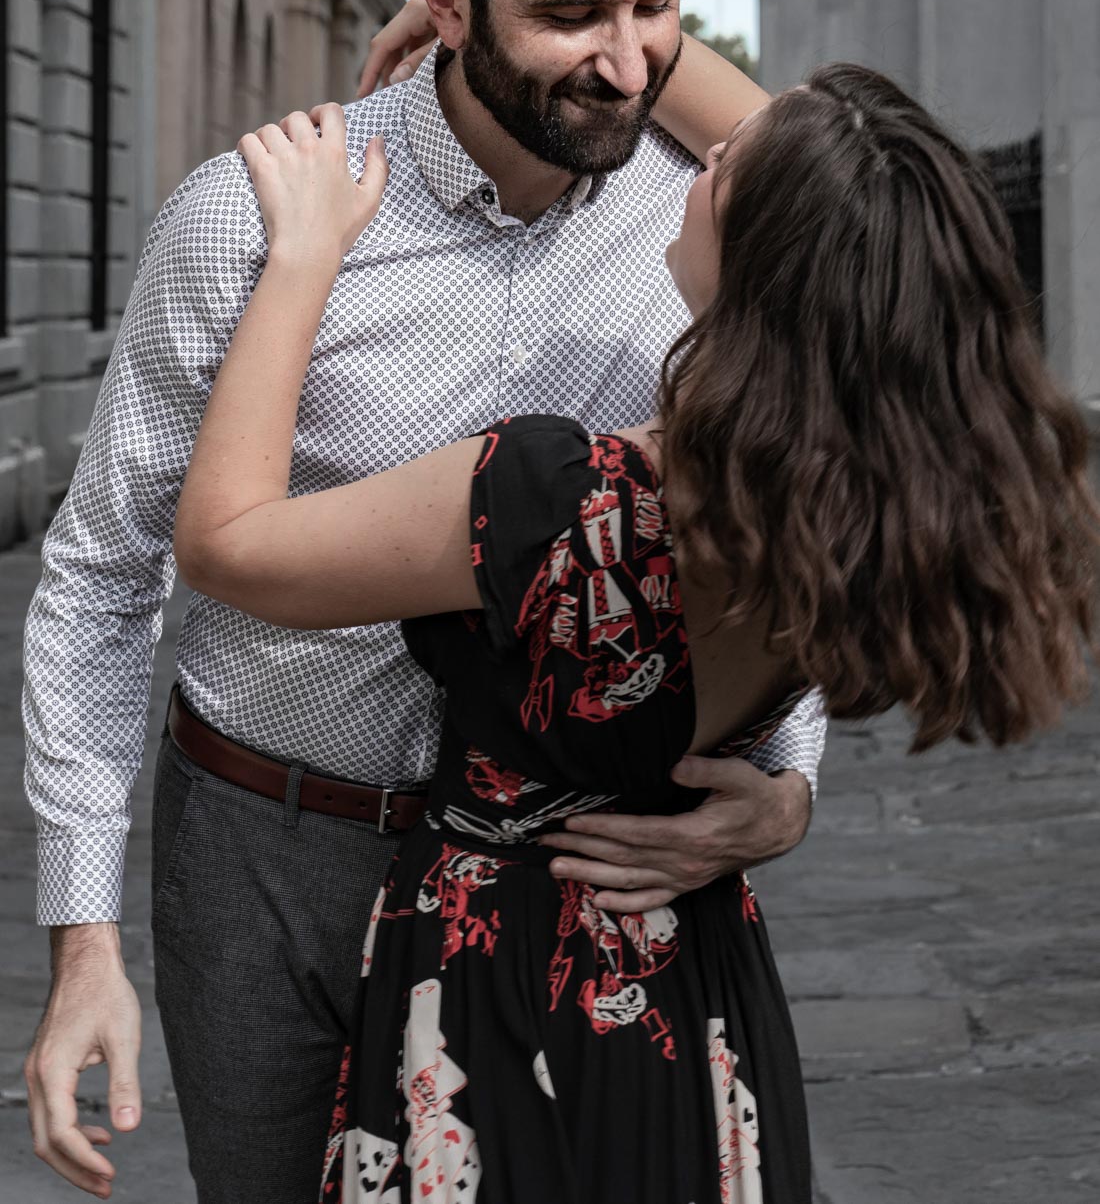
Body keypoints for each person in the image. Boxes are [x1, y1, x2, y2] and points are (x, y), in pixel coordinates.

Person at [21, 0, 826, 1204]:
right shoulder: (254, 220)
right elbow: (102, 569)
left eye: (657, 4)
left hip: (564, 880)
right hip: (272, 859)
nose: (629, 64)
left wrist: (788, 780)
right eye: (570, 15)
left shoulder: (709, 223)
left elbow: (782, 523)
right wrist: (84, 938)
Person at [171, 62, 1098, 1202]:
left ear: (759, 261)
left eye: (721, 170)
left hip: (503, 997)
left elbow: (226, 545)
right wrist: (517, 19)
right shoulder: (854, 521)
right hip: (694, 995)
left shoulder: (559, 499)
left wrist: (304, 257)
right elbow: (847, 190)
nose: (698, 159)